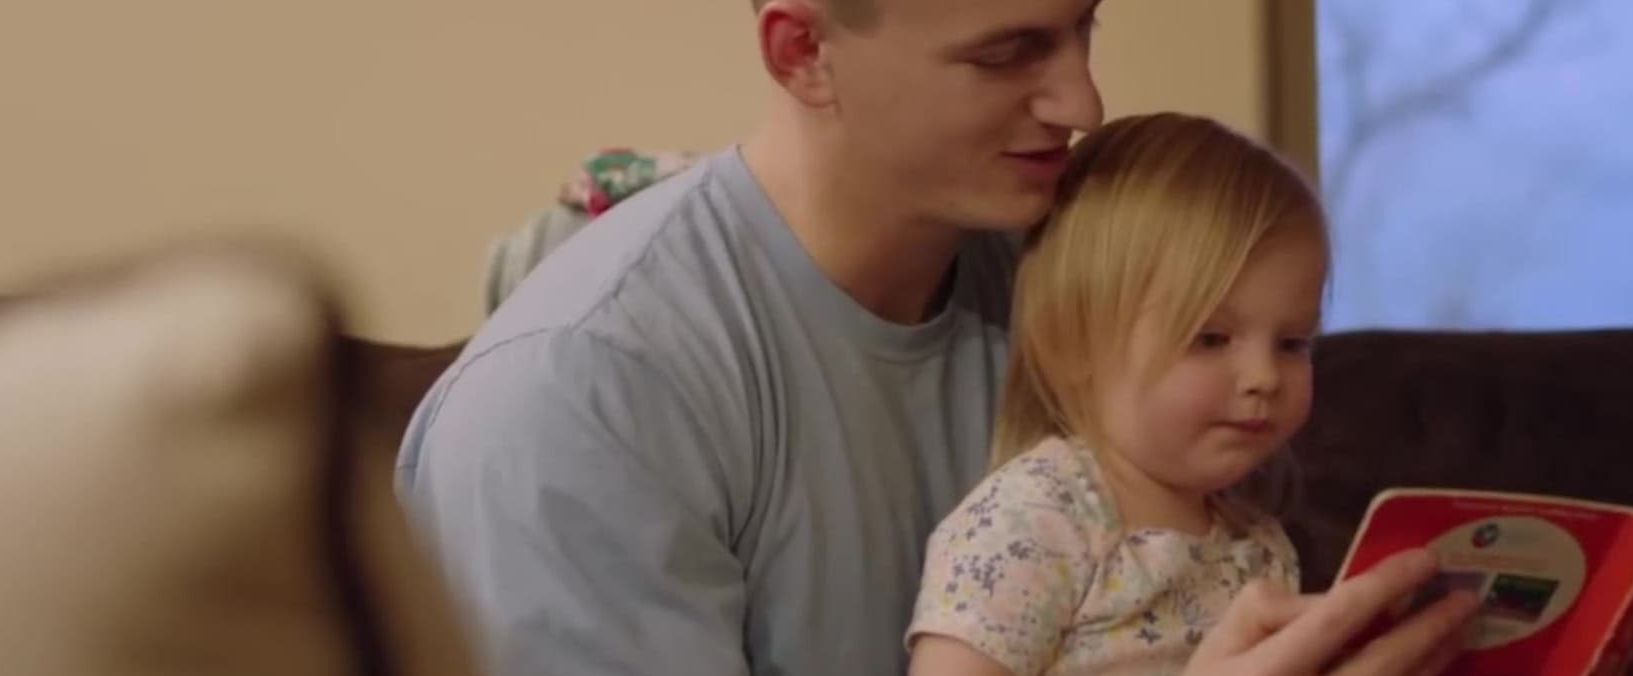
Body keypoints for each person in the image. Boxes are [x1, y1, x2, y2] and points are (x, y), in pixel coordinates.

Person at [393, 0, 1492, 674]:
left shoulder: (1080, 288)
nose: (1083, 101)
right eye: (1009, 52)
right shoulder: (580, 397)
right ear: (802, 51)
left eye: (1084, 27)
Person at [903, 111, 1355, 674]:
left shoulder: (1259, 545)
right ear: (1075, 346)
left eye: (1293, 343)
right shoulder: (1032, 523)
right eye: (1210, 338)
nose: (1264, 376)